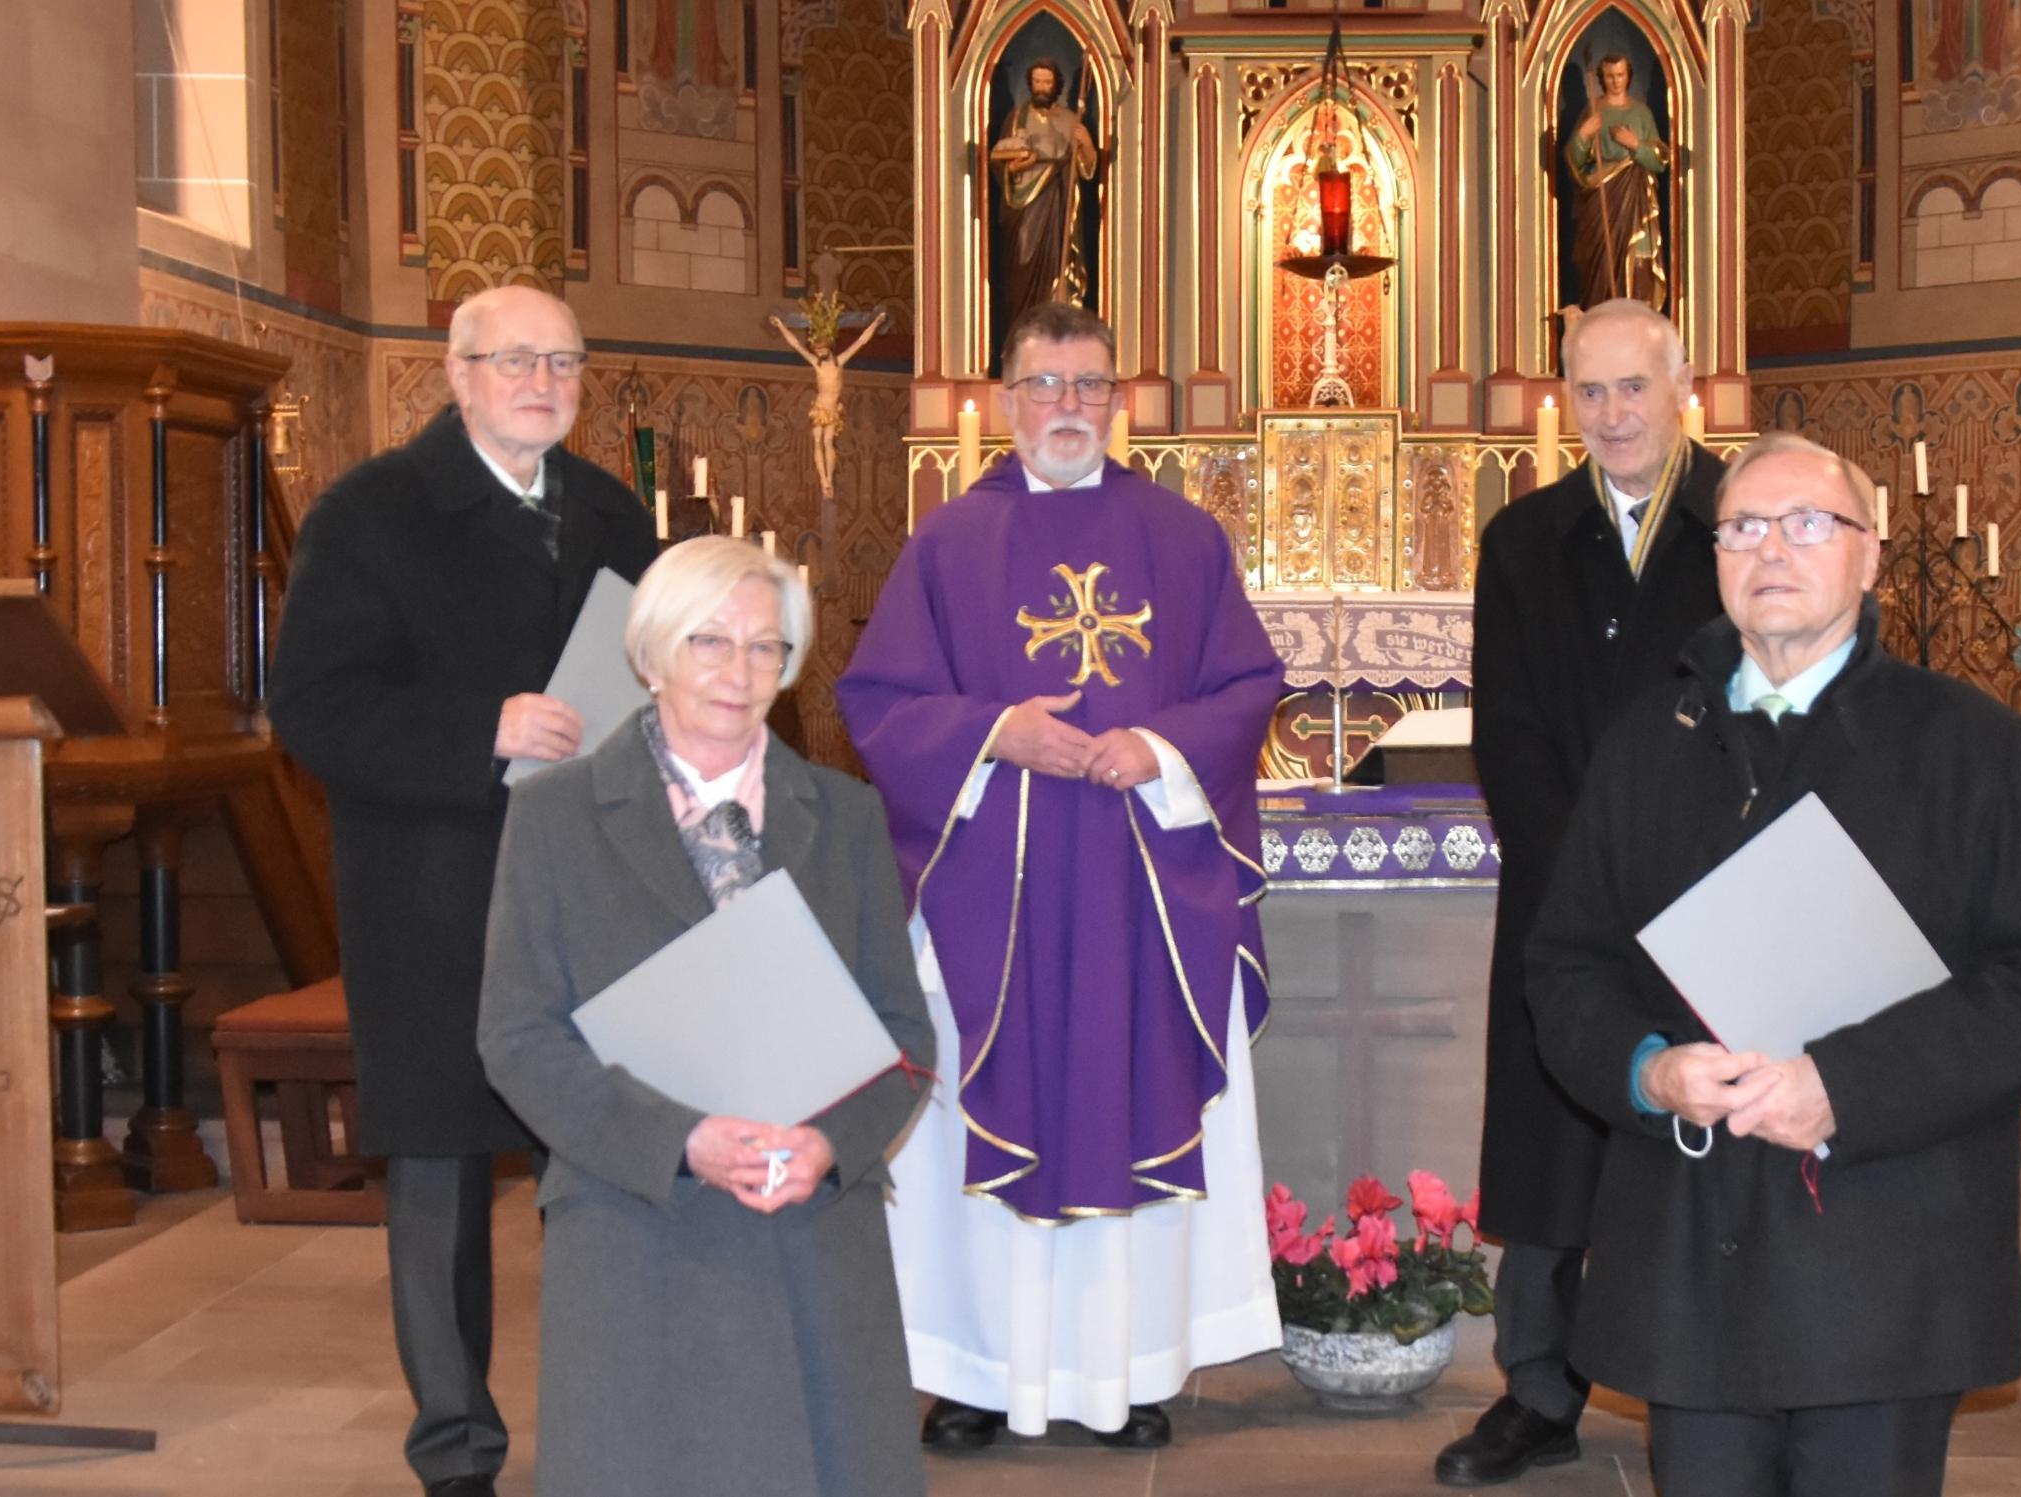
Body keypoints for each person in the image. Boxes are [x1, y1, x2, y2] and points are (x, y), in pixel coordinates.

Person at [1522, 432, 2021, 1497]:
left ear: (1870, 555)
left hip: (1884, 1251)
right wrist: (1648, 1070)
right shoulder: (1647, 743)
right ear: (1715, 560)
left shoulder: (1973, 748)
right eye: (1742, 528)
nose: (1771, 551)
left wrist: (1845, 1086)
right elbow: (1565, 965)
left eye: (1807, 524)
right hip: (1692, 1247)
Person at [837, 300, 1283, 1450]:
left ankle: (1125, 1373)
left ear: (1119, 404)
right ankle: (981, 1375)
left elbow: (1245, 687)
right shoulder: (946, 542)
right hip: (997, 892)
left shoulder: (1184, 538)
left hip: (1143, 891)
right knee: (981, 1112)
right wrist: (993, 734)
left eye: (1089, 386)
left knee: (1128, 1097)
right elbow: (879, 701)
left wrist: (1160, 747)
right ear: (1003, 401)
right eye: (1044, 386)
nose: (1068, 409)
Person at [267, 285, 657, 1497]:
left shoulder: (609, 511)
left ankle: (610, 1420)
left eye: (565, 361)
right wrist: (480, 731)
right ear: (457, 372)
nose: (542, 381)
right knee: (438, 1173)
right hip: (437, 890)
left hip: (588, 888)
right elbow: (313, 707)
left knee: (593, 1164)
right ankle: (457, 1452)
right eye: (515, 360)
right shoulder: (374, 512)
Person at [476, 536, 935, 1496]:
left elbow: (905, 1036)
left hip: (811, 1230)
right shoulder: (555, 817)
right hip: (638, 1223)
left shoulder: (846, 817)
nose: (739, 672)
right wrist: (682, 1141)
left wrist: (828, 1144)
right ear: (650, 657)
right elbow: (516, 1035)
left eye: (766, 647)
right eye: (709, 642)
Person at [1441, 298, 1723, 1487]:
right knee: (1553, 1145)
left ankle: (1705, 1385)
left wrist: (1683, 873)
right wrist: (1579, 881)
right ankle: (1540, 1390)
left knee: (1700, 1146)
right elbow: (1507, 732)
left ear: (1680, 387)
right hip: (1564, 901)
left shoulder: (1742, 523)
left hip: (1712, 899)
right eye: (1590, 392)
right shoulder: (1521, 540)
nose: (1611, 414)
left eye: (1632, 388)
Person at [991, 58, 1097, 327]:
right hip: (1025, 207)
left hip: (1059, 205)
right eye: (1037, 82)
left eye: (1047, 82)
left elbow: (1086, 171)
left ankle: (1056, 328)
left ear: (1056, 85)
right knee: (1022, 263)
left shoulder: (1071, 120)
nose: (1041, 88)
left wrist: (1086, 145)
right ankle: (1022, 330)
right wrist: (1015, 166)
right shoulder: (1015, 118)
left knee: (1057, 268)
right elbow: (998, 165)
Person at [1562, 55, 1668, 311]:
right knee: (1602, 267)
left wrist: (1635, 145)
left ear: (1628, 76)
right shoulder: (1593, 110)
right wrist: (1584, 135)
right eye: (1610, 76)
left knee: (1638, 263)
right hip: (1602, 201)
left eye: (1620, 75)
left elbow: (1661, 160)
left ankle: (1639, 326)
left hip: (1635, 198)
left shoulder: (1641, 113)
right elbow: (1574, 162)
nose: (1616, 81)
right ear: (1601, 79)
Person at [768, 290, 889, 498]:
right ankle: (823, 478)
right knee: (817, 441)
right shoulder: (816, 364)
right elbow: (795, 345)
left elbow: (861, 342)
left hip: (832, 408)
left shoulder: (838, 362)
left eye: (822, 350)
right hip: (820, 406)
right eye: (817, 350)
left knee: (827, 442)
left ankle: (828, 481)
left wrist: (876, 323)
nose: (819, 353)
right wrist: (781, 326)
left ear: (828, 348)